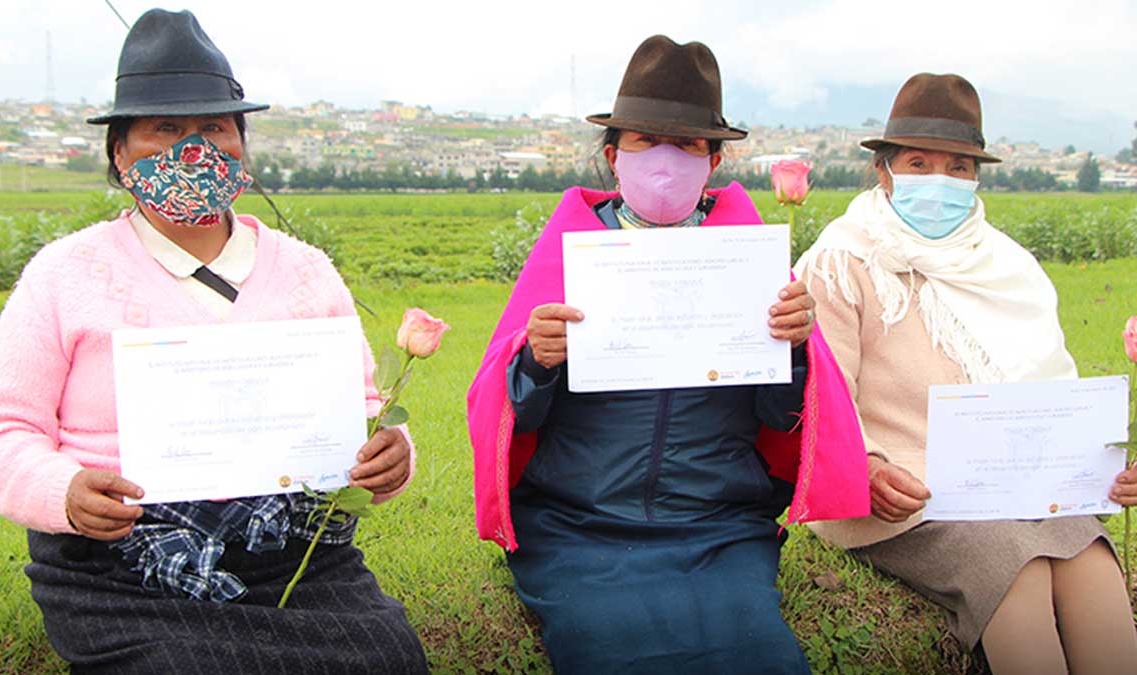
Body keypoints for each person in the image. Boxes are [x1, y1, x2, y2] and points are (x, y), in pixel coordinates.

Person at [0, 9, 427, 673]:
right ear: (121, 154)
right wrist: (63, 489)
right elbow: (2, 430)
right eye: (166, 128)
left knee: (389, 656)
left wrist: (392, 453)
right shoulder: (64, 274)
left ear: (242, 142)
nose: (194, 147)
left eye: (213, 126)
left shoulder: (305, 271)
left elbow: (360, 407)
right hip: (123, 568)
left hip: (293, 560)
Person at [467, 35, 870, 674]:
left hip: (719, 525)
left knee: (759, 656)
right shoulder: (567, 252)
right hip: (579, 525)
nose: (664, 161)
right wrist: (536, 361)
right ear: (612, 156)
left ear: (713, 162)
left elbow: (777, 412)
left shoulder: (748, 258)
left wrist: (793, 350)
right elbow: (512, 413)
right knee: (612, 650)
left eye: (686, 145)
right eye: (644, 141)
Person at [796, 73, 1137, 674]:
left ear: (976, 176)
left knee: (1091, 560)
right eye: (919, 163)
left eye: (957, 167)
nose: (940, 181)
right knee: (1016, 567)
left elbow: (1054, 400)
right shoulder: (842, 261)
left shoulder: (1009, 266)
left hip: (1012, 484)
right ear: (885, 171)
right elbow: (827, 396)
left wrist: (1099, 467)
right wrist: (871, 467)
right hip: (898, 493)